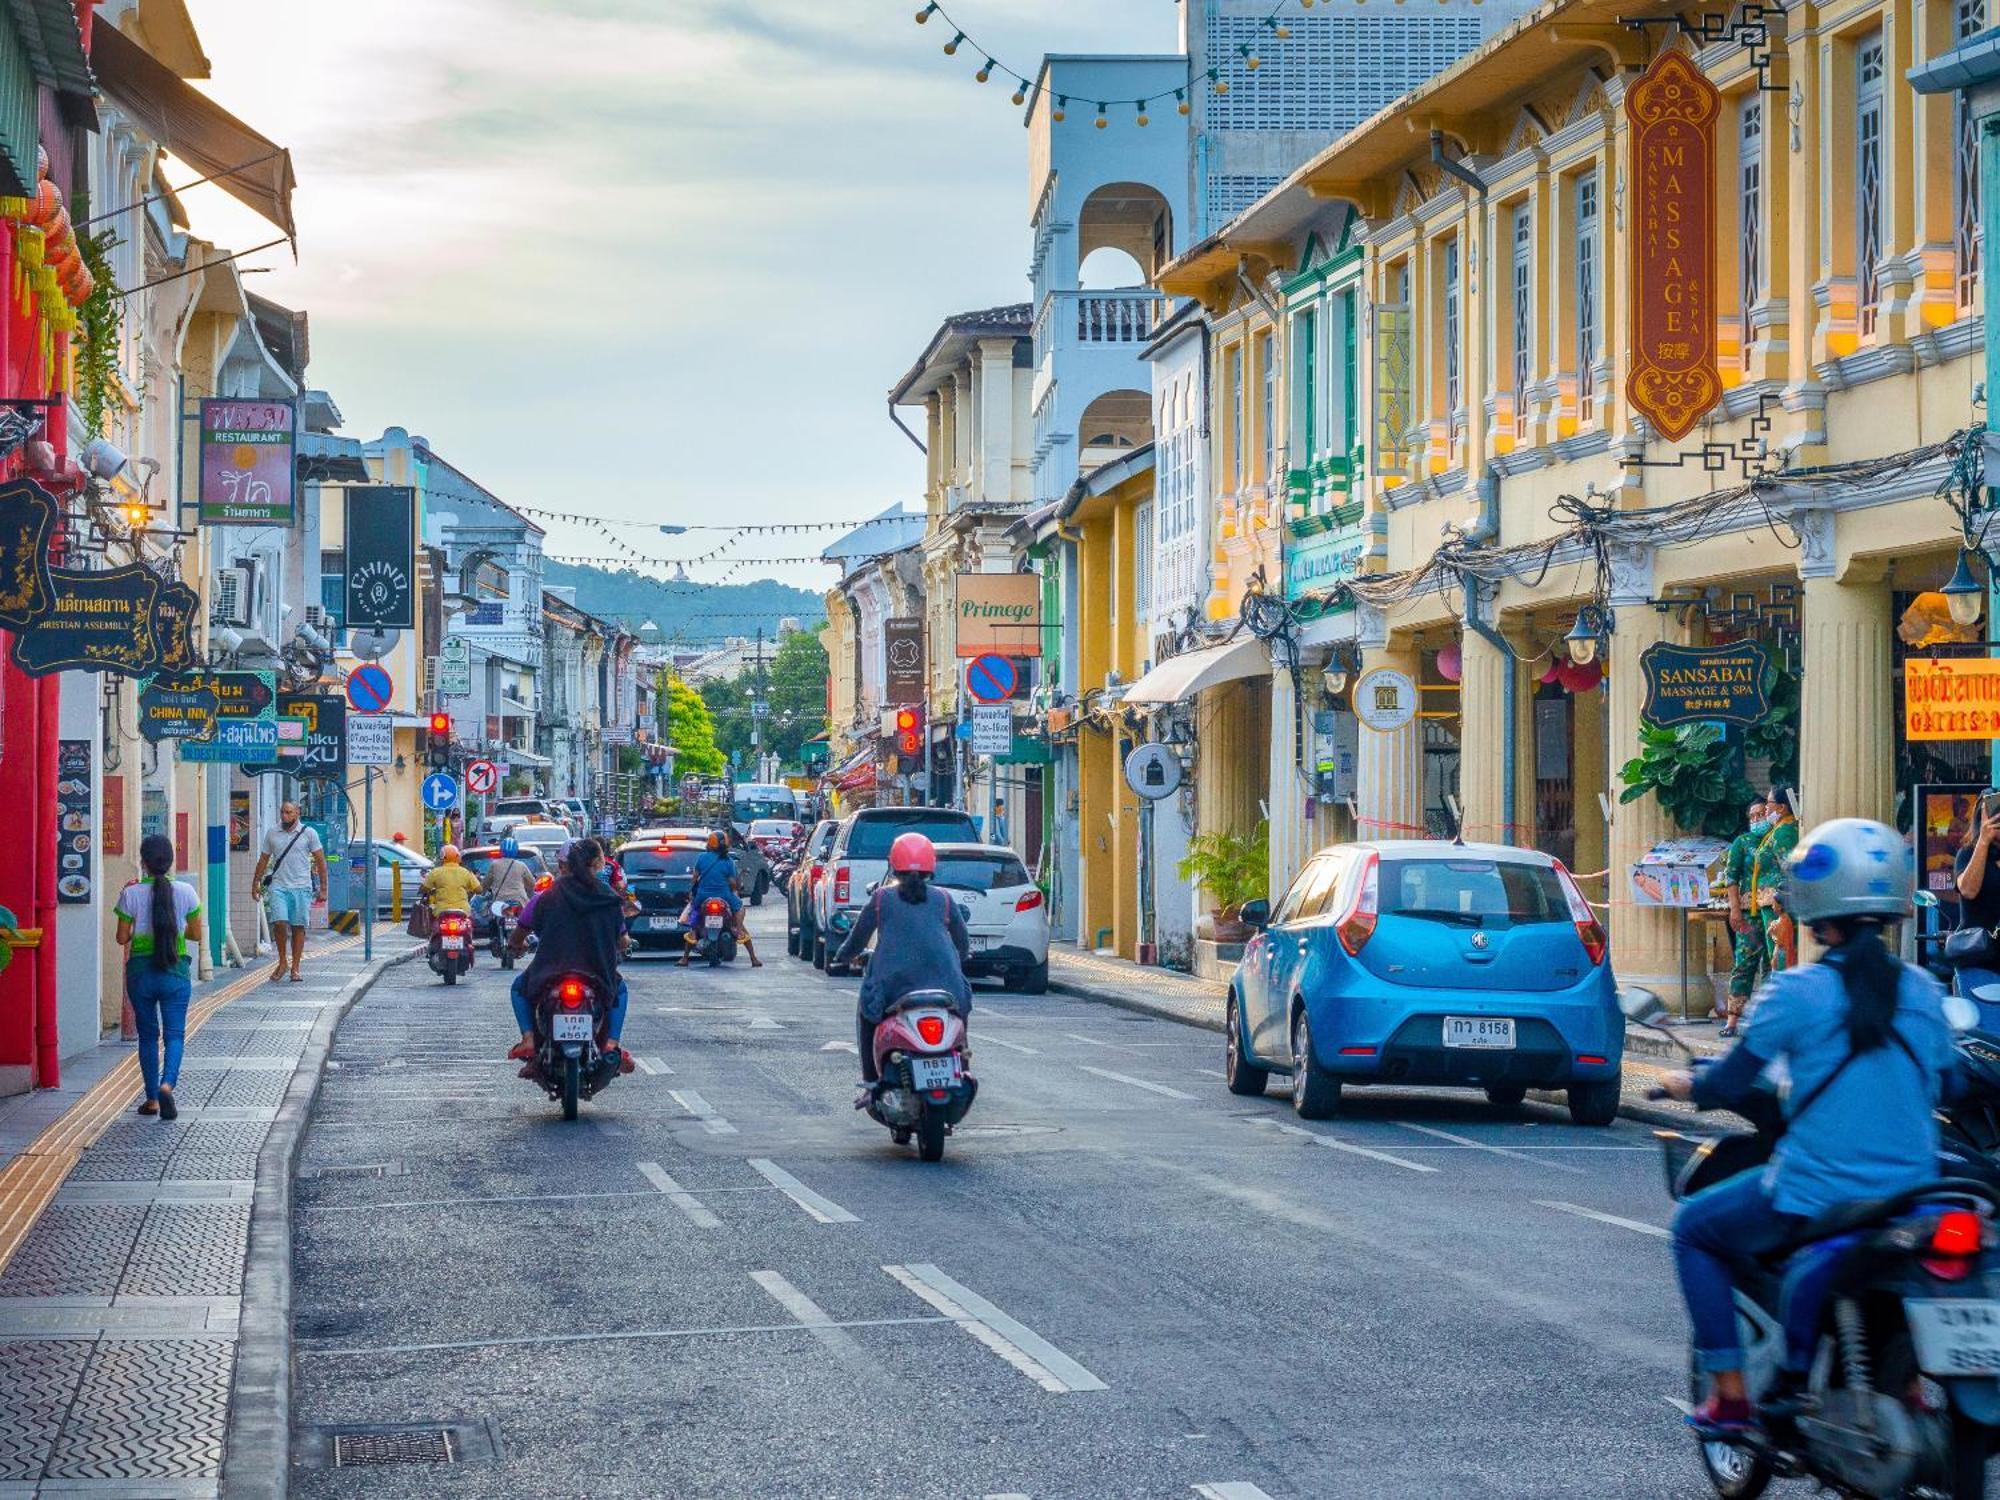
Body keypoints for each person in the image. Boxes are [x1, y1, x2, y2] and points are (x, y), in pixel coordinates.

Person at [1658, 817, 1953, 1434]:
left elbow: (1732, 1081)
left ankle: (1733, 1394)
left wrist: (1690, 1083)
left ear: (1814, 903)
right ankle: (1900, 1388)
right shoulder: (1925, 991)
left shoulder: (1796, 991)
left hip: (1818, 1193)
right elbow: (1944, 1082)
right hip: (1913, 1198)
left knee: (1693, 1230)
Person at [833, 832, 971, 1109]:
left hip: (893, 989)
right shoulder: (944, 899)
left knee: (867, 1012)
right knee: (959, 1012)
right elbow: (963, 942)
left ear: (893, 864)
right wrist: (960, 959)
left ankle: (872, 1084)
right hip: (946, 987)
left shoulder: (882, 899)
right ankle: (962, 1065)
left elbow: (858, 939)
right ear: (932, 865)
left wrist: (840, 957)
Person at [507, 839, 633, 1073]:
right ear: (596, 864)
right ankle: (611, 1044)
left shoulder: (547, 896)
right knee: (621, 990)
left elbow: (519, 933)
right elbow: (622, 939)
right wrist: (625, 944)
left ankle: (528, 1040)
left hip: (548, 972)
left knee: (518, 988)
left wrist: (516, 945)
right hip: (598, 974)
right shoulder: (608, 897)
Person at [114, 834, 203, 1120]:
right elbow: (197, 934)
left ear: (144, 862)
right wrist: (176, 931)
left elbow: (121, 938)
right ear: (170, 861)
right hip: (174, 971)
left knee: (148, 1036)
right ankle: (167, 1084)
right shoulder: (186, 892)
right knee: (175, 1035)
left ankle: (152, 1099)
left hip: (141, 974)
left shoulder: (131, 893)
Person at [250, 801, 327, 984]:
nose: (284, 816)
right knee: (279, 922)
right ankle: (283, 961)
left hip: (301, 887)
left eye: (288, 812)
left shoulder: (309, 833)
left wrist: (323, 888)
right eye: (282, 812)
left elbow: (321, 861)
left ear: (297, 813)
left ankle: (295, 968)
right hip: (279, 886)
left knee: (298, 926)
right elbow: (263, 859)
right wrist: (255, 882)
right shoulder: (272, 833)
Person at [1720, 797, 1770, 1034]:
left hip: (1772, 912)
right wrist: (1735, 909)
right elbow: (1732, 877)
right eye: (1752, 816)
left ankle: (1768, 1020)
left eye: (1761, 814)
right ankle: (1732, 1020)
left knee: (1773, 963)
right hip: (1749, 914)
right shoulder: (1743, 842)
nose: (1757, 819)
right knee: (1744, 964)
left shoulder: (1778, 838)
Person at [679, 831, 762, 968]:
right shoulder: (728, 861)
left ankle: (686, 955)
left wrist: (691, 893)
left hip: (703, 895)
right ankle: (746, 944)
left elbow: (694, 879)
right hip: (724, 895)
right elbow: (733, 884)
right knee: (740, 908)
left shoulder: (701, 858)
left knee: (694, 911)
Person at [1952, 789, 2000, 1020]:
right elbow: (1968, 890)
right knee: (1985, 1025)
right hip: (1978, 957)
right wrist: (1983, 840)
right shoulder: (1968, 854)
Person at [1752, 787, 1801, 975]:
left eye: (1769, 803)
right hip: (1773, 901)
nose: (1766, 808)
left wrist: (1782, 900)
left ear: (1781, 807)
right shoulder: (1780, 828)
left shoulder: (1784, 832)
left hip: (1779, 903)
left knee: (1780, 952)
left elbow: (1790, 869)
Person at [420, 844, 482, 915]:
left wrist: (428, 890)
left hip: (441, 910)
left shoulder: (435, 872)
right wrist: (469, 890)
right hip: (463, 910)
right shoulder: (466, 872)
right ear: (457, 857)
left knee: (433, 923)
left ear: (442, 858)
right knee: (469, 924)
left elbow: (424, 888)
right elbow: (479, 889)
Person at [485, 836, 535, 908]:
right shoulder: (521, 865)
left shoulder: (495, 865)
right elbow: (532, 883)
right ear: (516, 850)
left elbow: (486, 884)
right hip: (520, 901)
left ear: (501, 850)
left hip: (500, 901)